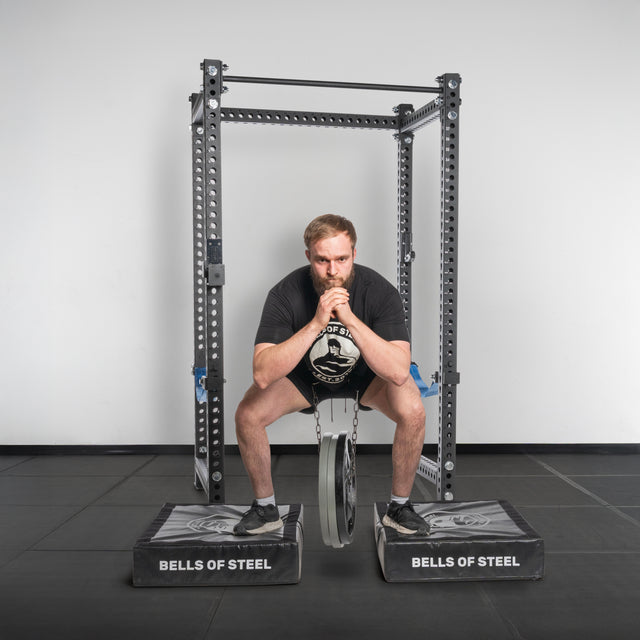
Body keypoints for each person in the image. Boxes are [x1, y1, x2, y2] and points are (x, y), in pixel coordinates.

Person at [233, 214, 429, 537]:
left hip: (367, 379)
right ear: (309, 256)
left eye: (341, 259)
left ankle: (400, 507)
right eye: (322, 260)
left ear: (354, 253)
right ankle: (265, 508)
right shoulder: (285, 294)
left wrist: (349, 319)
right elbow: (263, 374)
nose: (333, 271)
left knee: (413, 408)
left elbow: (397, 371)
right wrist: (315, 324)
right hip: (304, 379)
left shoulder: (379, 292)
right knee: (247, 414)